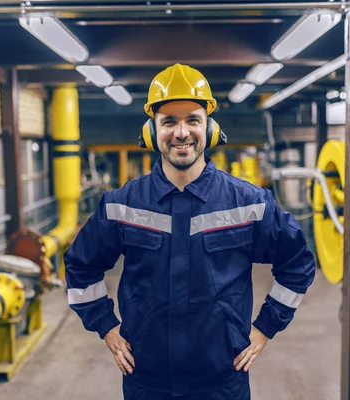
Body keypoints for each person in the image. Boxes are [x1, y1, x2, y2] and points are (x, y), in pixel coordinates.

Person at [64, 63, 316, 400]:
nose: (181, 132)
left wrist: (265, 328)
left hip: (223, 381)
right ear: (152, 131)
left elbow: (297, 264)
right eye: (169, 121)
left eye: (193, 120)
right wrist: (106, 328)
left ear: (209, 128)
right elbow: (81, 267)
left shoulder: (250, 203)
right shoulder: (121, 204)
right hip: (146, 381)